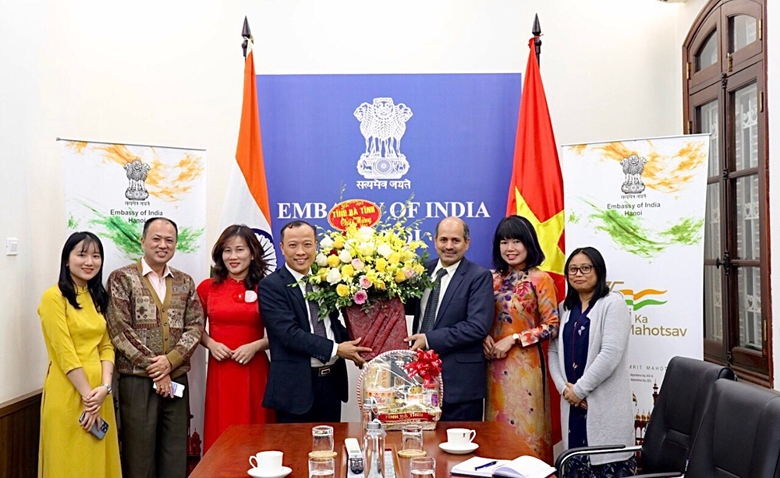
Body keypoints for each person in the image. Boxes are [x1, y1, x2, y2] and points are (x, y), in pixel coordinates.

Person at [106, 217, 204, 478]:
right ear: (143, 241)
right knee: (139, 456)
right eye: (156, 239)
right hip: (137, 381)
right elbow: (119, 330)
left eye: (169, 240)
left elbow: (195, 326)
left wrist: (170, 363)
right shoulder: (122, 278)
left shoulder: (185, 282)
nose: (163, 245)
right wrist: (157, 370)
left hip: (176, 378)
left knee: (175, 452)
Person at [258, 220, 371, 422]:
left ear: (316, 246)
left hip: (331, 383)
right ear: (282, 248)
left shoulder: (327, 279)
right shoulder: (271, 286)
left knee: (331, 441)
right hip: (295, 387)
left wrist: (364, 346)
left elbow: (332, 325)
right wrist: (337, 349)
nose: (300, 252)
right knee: (295, 443)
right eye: (293, 245)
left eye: (307, 244)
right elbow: (289, 334)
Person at [37, 231, 121, 477]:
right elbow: (65, 353)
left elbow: (106, 346)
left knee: (97, 463)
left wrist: (104, 388)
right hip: (69, 391)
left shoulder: (96, 296)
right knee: (69, 463)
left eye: (96, 256)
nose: (89, 262)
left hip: (98, 393)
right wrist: (88, 398)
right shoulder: (53, 297)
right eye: (82, 255)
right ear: (66, 259)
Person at [549, 247, 635, 477]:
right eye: (573, 269)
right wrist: (565, 390)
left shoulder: (613, 304)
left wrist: (579, 390)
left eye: (585, 268)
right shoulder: (565, 308)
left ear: (599, 271)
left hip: (603, 406)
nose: (578, 274)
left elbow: (610, 354)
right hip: (572, 405)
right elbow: (553, 351)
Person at [483, 215, 559, 463]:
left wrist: (514, 338)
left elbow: (552, 326)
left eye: (516, 241)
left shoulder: (540, 279)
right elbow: (478, 316)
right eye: (504, 242)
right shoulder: (491, 278)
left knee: (526, 428)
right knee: (496, 427)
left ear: (529, 243)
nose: (510, 248)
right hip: (492, 365)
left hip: (525, 368)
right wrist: (483, 336)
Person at [406, 216, 494, 421]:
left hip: (460, 387)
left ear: (467, 243)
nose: (449, 246)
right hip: (419, 382)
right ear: (435, 241)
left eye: (456, 240)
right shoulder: (420, 272)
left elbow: (477, 327)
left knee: (460, 441)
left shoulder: (479, 276)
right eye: (443, 240)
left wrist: (429, 339)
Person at [197, 225, 274, 453]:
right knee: (222, 433)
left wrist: (256, 346)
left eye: (240, 250)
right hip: (221, 371)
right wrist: (210, 344)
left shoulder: (267, 288)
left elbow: (283, 333)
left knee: (257, 435)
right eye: (227, 250)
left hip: (255, 370)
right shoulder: (207, 288)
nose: (233, 256)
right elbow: (193, 327)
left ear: (252, 253)